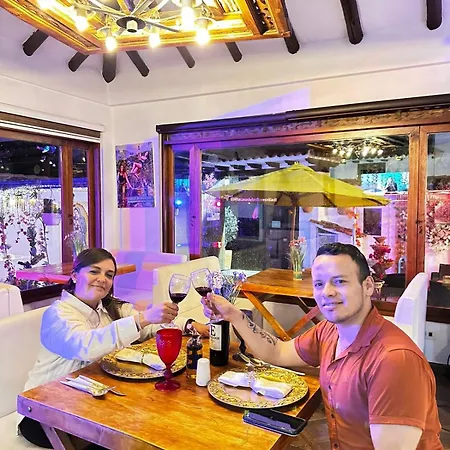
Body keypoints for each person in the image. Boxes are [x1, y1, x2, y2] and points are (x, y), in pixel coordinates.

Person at [202, 243, 443, 449]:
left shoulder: (394, 361)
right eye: (319, 284)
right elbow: (277, 352)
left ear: (368, 286)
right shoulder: (330, 331)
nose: (327, 292)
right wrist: (234, 316)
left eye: (339, 281)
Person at [19, 248, 208, 448]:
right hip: (44, 413)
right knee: (138, 432)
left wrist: (189, 325)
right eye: (94, 271)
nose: (102, 279)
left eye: (109, 275)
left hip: (92, 402)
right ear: (74, 276)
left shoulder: (110, 307)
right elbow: (87, 346)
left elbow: (148, 327)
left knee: (162, 416)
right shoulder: (57, 314)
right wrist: (142, 318)